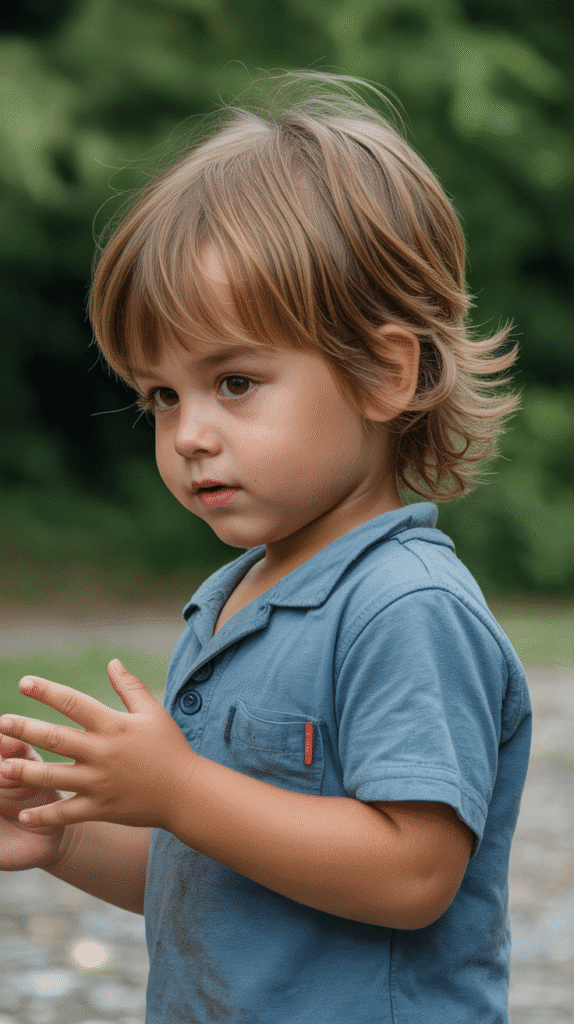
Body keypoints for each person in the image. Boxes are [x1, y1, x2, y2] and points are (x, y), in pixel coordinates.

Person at [0, 71, 531, 1023]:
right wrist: (66, 834)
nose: (190, 432)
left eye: (235, 382)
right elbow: (218, 870)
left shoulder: (406, 607)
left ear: (385, 371)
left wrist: (179, 787)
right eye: (161, 395)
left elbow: (413, 874)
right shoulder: (236, 596)